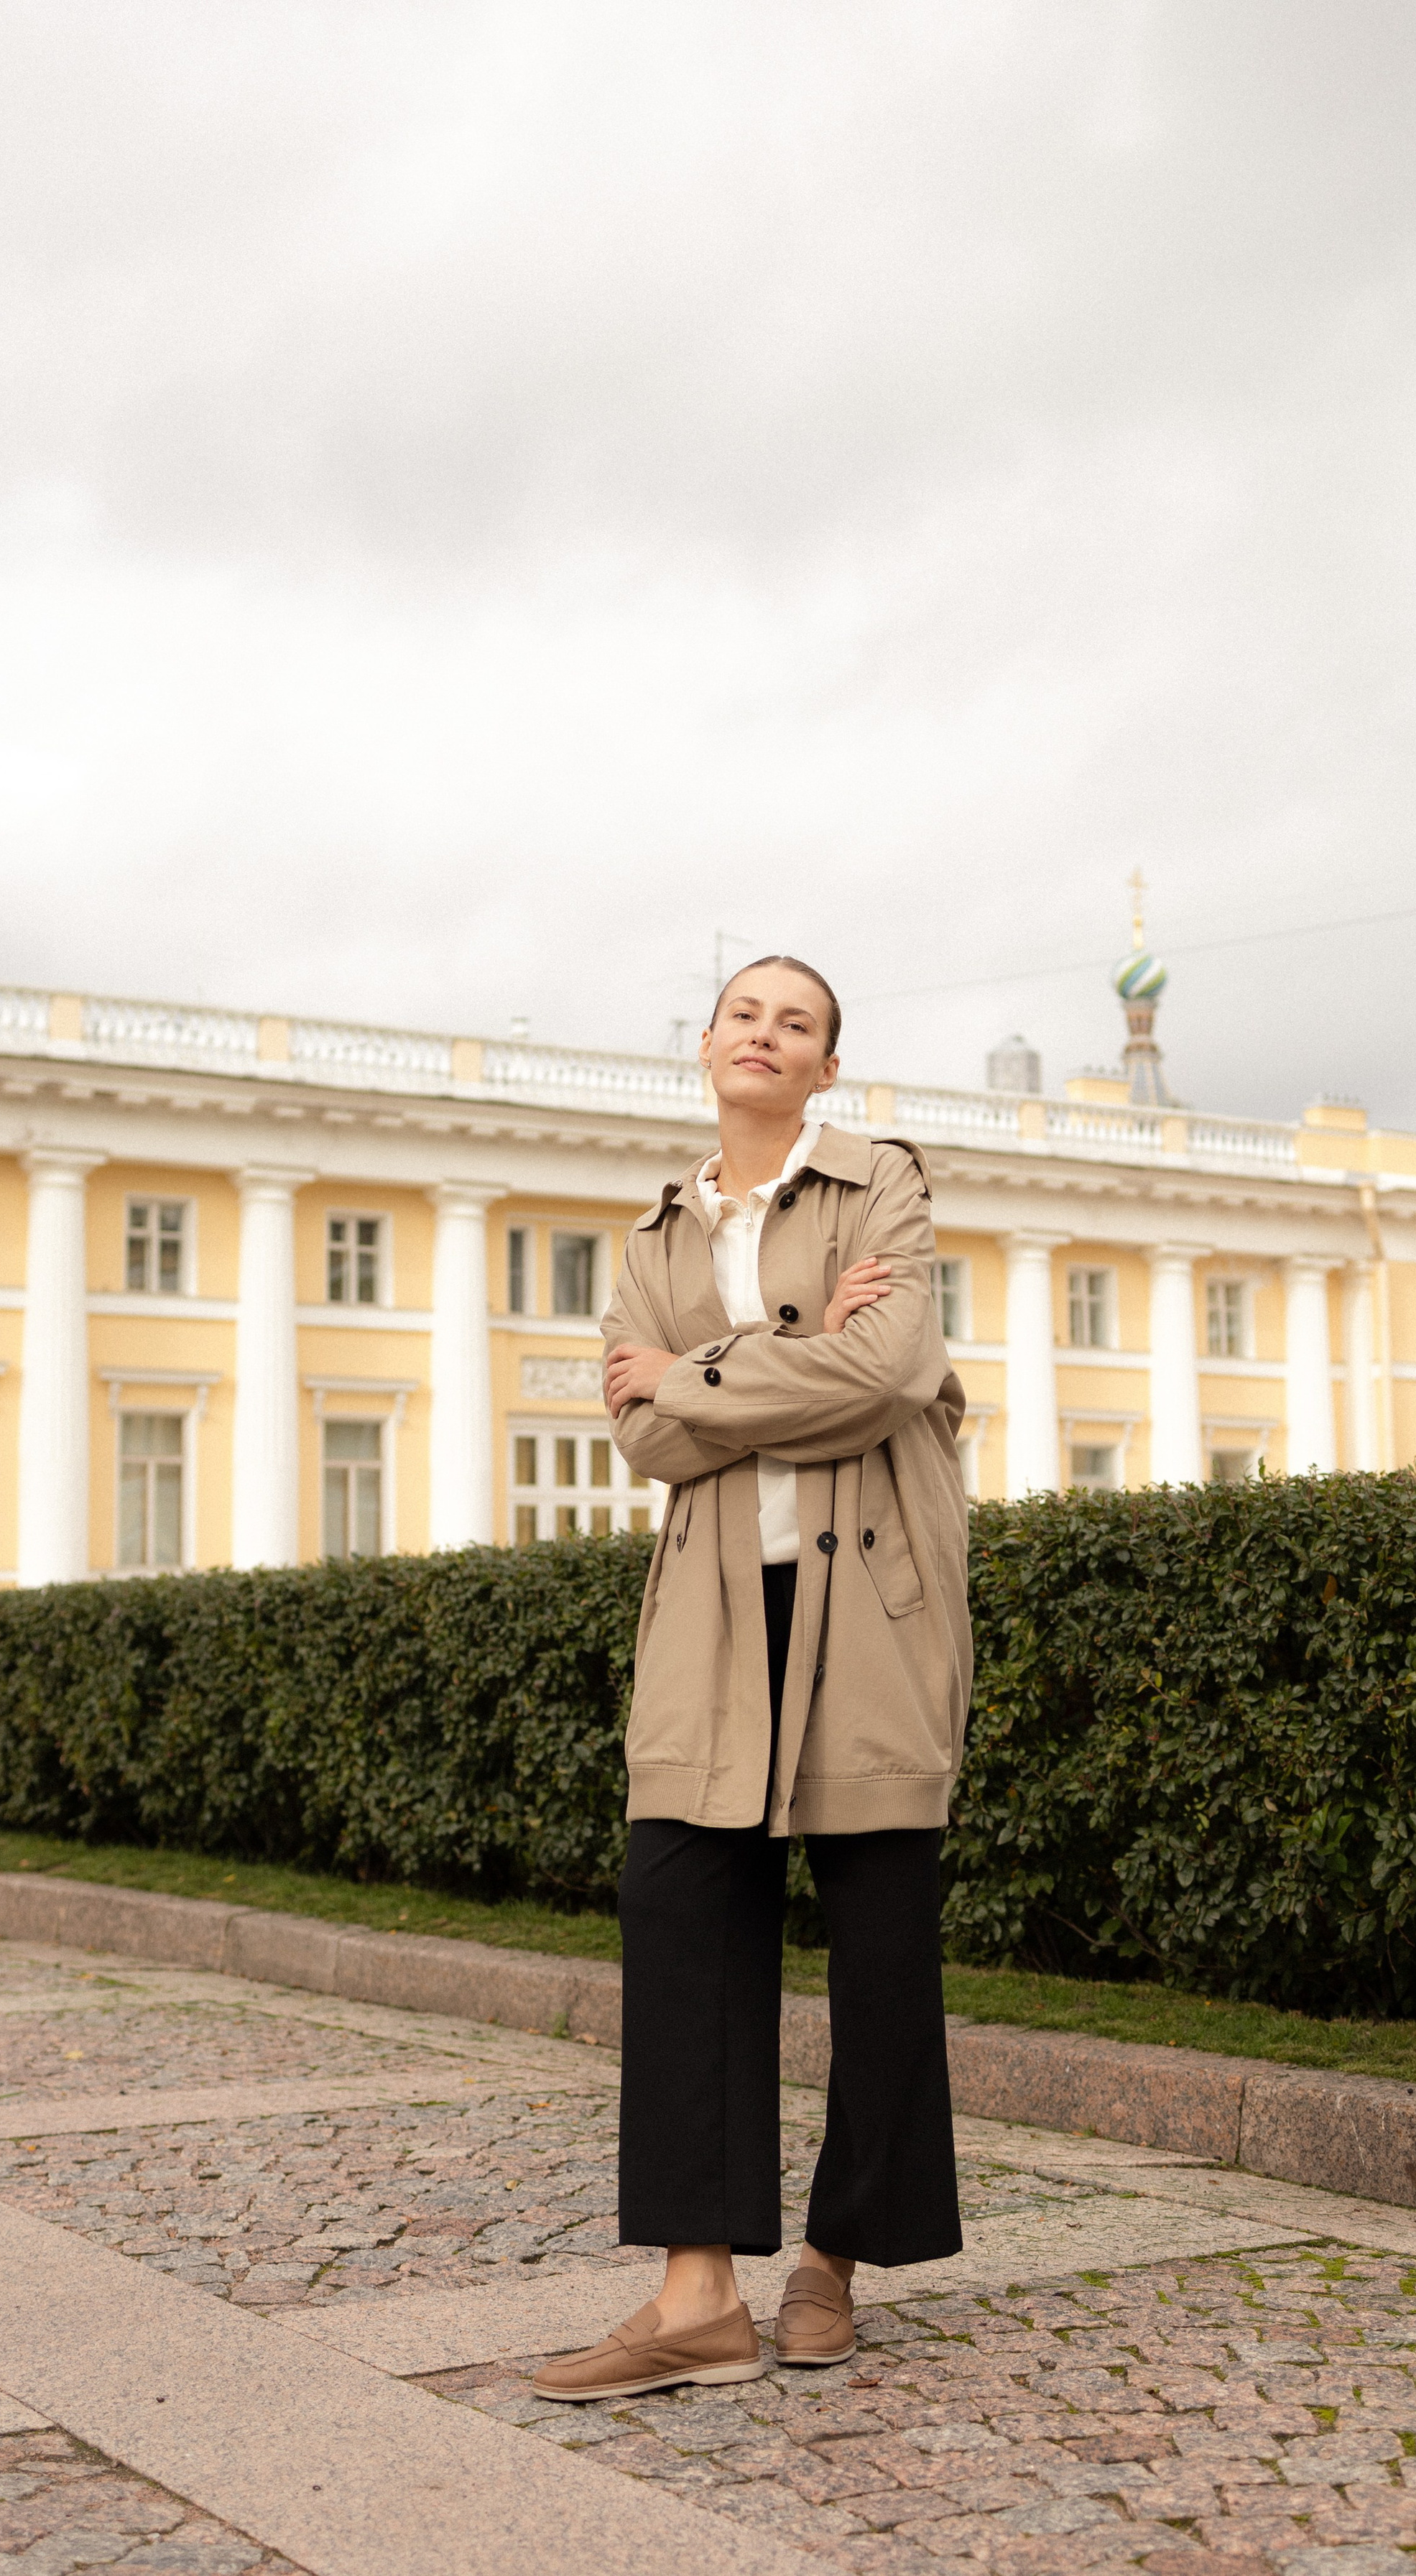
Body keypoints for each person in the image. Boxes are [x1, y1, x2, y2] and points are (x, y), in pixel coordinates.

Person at [532, 952, 973, 2404]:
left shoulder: (879, 1183)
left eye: (796, 1022)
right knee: (676, 1917)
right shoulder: (655, 1229)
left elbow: (890, 1375)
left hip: (874, 1604)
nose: (764, 1034)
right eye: (743, 1012)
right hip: (711, 1612)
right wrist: (797, 1349)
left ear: (825, 1064)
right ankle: (695, 2294)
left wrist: (694, 1369)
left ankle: (834, 2259)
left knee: (880, 1943)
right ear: (708, 1042)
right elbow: (645, 1438)